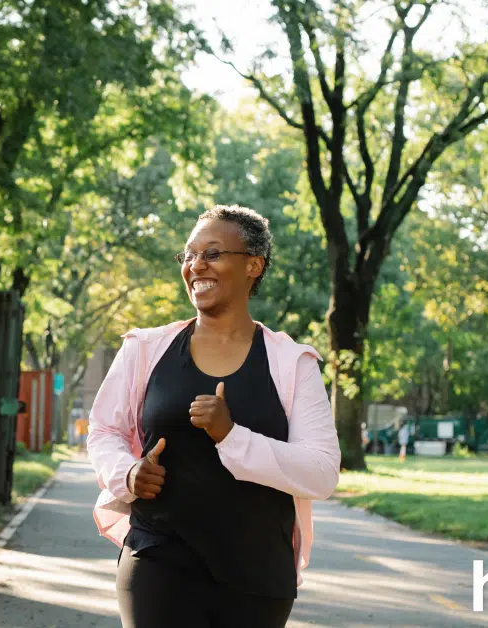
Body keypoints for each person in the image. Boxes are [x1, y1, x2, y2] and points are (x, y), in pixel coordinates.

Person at [87, 205, 341, 628]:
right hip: (158, 557)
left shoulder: (292, 363)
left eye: (213, 253)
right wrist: (127, 473)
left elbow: (322, 472)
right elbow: (104, 430)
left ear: (253, 266)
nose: (195, 265)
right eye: (189, 255)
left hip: (257, 573)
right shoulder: (144, 349)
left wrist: (231, 436)